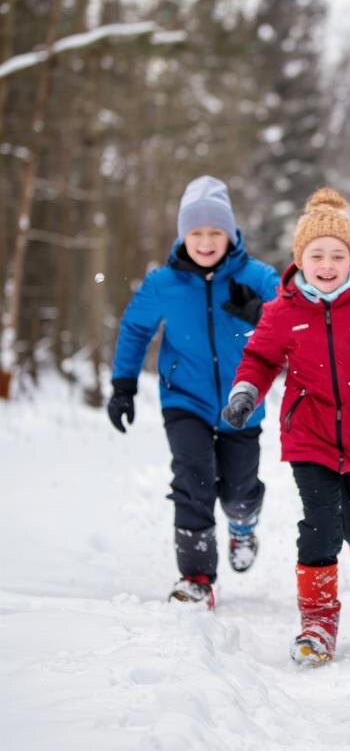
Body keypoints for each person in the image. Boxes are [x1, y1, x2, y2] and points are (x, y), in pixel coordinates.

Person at [222, 188, 350, 666]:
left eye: (337, 255)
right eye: (315, 255)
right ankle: (317, 623)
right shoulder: (282, 312)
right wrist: (246, 391)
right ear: (299, 259)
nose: (327, 264)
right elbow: (260, 358)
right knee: (320, 527)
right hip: (310, 437)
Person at [107, 175, 279, 609]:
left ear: (231, 234)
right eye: (196, 233)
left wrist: (260, 312)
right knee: (193, 480)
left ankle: (243, 524)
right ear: (183, 235)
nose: (205, 241)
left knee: (238, 492)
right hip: (184, 400)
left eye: (214, 232)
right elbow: (134, 328)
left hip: (244, 402)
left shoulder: (256, 276)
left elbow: (294, 317)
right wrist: (123, 385)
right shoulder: (163, 283)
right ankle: (197, 577)